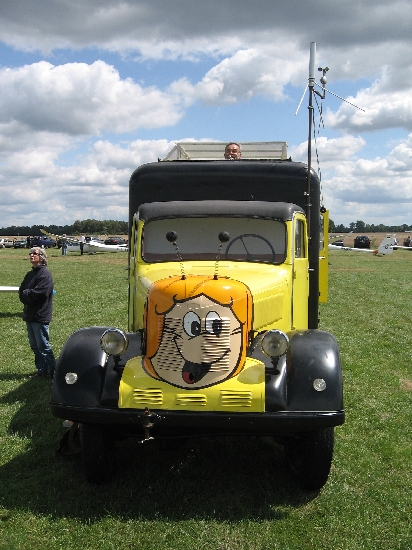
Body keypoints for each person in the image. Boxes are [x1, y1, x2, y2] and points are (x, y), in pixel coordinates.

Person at [19, 247, 56, 378]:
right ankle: (42, 370)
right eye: (30, 253)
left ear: (42, 257)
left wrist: (27, 294)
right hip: (30, 315)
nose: (31, 255)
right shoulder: (30, 274)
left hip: (40, 315)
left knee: (43, 345)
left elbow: (40, 293)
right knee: (34, 345)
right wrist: (27, 294)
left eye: (34, 253)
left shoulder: (45, 274)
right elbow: (21, 291)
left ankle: (52, 371)